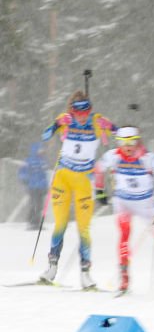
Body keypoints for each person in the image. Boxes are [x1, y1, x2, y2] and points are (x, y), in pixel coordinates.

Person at [95, 127, 154, 294]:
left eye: (132, 141)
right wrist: (100, 190)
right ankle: (124, 277)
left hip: (146, 205)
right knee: (124, 234)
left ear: (138, 140)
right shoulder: (113, 156)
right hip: (123, 202)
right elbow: (98, 168)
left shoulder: (148, 158)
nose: (128, 146)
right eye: (124, 143)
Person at [38, 91, 117, 288]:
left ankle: (85, 273)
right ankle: (52, 267)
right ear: (71, 110)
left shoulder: (97, 121)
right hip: (63, 179)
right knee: (60, 224)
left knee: (84, 228)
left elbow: (123, 136)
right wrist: (56, 124)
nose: (81, 115)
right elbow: (45, 135)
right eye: (77, 111)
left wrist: (111, 127)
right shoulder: (65, 120)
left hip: (83, 180)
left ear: (90, 109)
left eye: (86, 110)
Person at [19, 143, 49, 230]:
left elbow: (44, 175)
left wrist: (46, 186)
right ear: (35, 150)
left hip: (41, 187)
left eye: (42, 150)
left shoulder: (43, 161)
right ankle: (32, 222)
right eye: (40, 149)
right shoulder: (28, 160)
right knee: (34, 204)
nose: (42, 151)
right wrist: (25, 179)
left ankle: (37, 223)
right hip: (32, 186)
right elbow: (22, 171)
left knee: (40, 205)